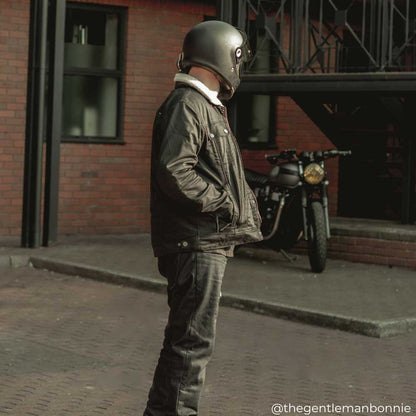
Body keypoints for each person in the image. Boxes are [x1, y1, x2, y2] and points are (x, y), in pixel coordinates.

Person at [144, 20, 263, 416]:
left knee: (184, 341)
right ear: (223, 57)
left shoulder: (203, 106)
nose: (239, 67)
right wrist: (225, 203)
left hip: (201, 241)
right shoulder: (188, 105)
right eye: (238, 58)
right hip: (195, 243)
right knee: (192, 345)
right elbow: (174, 171)